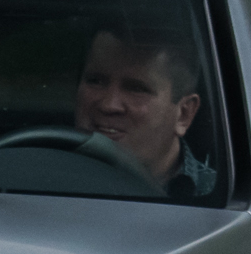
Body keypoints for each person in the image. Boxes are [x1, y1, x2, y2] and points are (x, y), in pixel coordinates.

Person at [74, 26, 216, 198]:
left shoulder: (218, 198)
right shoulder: (39, 174)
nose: (109, 105)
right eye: (95, 81)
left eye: (136, 89)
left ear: (184, 114)